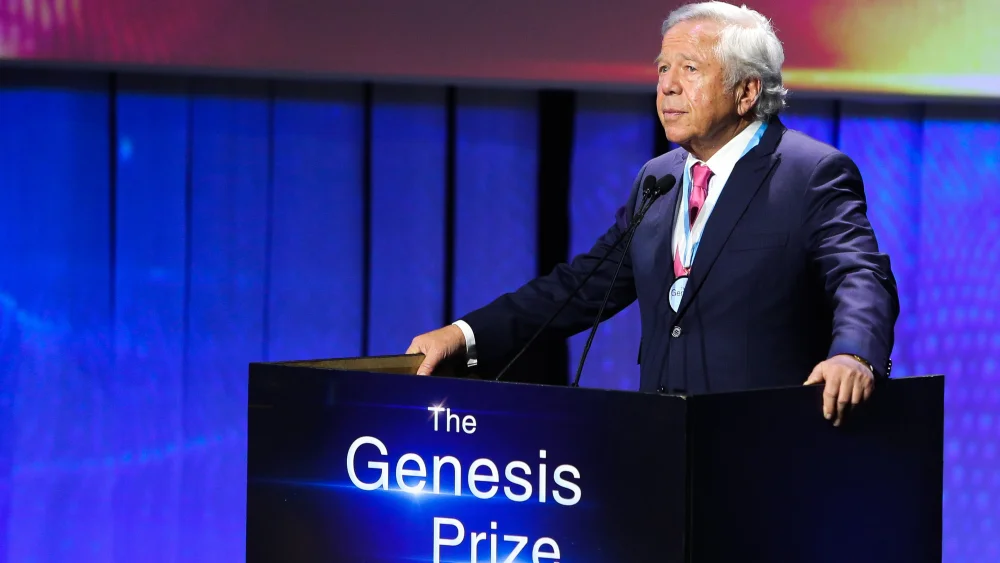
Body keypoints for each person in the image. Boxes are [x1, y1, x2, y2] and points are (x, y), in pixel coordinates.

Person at [406, 1, 899, 426]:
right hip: (662, 449)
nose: (667, 87)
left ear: (747, 92)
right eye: (663, 69)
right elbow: (581, 287)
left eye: (690, 69)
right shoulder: (659, 179)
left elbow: (860, 275)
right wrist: (463, 334)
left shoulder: (808, 173)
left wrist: (853, 354)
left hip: (765, 448)